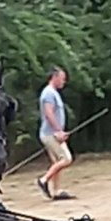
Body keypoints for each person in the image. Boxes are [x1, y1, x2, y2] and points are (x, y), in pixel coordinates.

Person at [36, 66, 75, 201]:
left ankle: (57, 191)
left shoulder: (52, 93)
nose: (64, 81)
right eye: (62, 78)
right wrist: (59, 131)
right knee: (66, 159)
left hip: (51, 133)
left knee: (56, 162)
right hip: (50, 134)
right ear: (55, 77)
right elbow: (49, 113)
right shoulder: (48, 93)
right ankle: (44, 180)